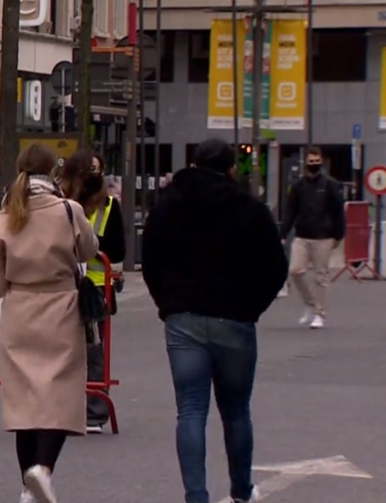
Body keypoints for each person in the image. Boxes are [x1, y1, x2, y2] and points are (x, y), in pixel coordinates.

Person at [142, 139, 288, 503]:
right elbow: (275, 267)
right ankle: (241, 490)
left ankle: (196, 495)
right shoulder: (250, 209)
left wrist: (168, 304)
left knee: (190, 409)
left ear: (192, 164)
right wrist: (251, 307)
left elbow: (151, 261)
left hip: (183, 318)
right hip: (235, 317)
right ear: (231, 168)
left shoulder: (168, 206)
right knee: (236, 410)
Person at [0, 143, 98, 503]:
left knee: (25, 404)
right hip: (60, 307)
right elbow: (90, 250)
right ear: (53, 171)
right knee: (59, 398)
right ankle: (42, 469)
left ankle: (25, 486)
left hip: (19, 310)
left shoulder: (2, 218)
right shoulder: (68, 211)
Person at [59, 149, 125, 435]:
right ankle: (64, 408)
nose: (94, 177)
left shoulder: (109, 205)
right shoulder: (59, 204)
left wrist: (91, 245)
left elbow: (119, 248)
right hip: (61, 285)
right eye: (89, 171)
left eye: (98, 170)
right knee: (62, 352)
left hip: (95, 289)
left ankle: (95, 412)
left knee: (94, 352)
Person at [279, 146, 345, 329]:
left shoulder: (329, 185)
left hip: (323, 236)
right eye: (311, 161)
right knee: (295, 270)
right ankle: (310, 304)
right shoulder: (299, 186)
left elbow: (338, 211)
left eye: (317, 161)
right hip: (302, 235)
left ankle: (319, 313)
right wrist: (283, 233)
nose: (314, 164)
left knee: (320, 276)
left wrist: (339, 234)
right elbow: (290, 211)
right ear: (306, 163)